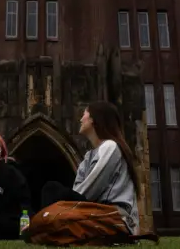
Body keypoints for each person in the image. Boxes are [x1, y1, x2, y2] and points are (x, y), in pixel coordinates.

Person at [38, 101, 141, 235]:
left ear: (94, 119)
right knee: (53, 191)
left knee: (52, 189)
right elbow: (78, 191)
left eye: (84, 114)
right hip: (94, 213)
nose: (81, 119)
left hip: (114, 217)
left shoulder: (110, 147)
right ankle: (47, 224)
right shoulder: (88, 157)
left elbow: (89, 191)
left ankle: (46, 224)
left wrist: (64, 206)